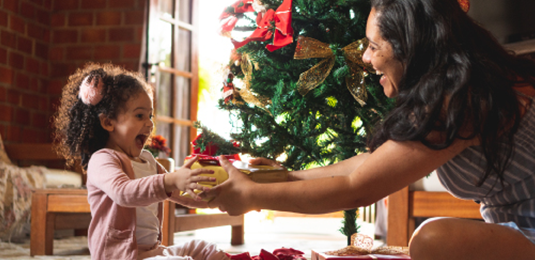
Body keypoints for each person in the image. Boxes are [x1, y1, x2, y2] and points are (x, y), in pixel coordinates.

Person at [203, 0, 535, 259]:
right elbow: (369, 163)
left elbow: (357, 187)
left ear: (410, 47)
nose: (364, 57)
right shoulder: (458, 85)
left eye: (374, 46)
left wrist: (251, 195)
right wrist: (283, 177)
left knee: (433, 241)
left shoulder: (460, 98)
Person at [53, 63, 230, 260]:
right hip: (119, 256)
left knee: (205, 249)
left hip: (152, 252)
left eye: (150, 115)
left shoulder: (146, 159)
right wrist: (171, 180)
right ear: (108, 122)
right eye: (139, 115)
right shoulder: (102, 159)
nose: (149, 123)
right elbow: (123, 192)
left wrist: (213, 198)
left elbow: (177, 190)